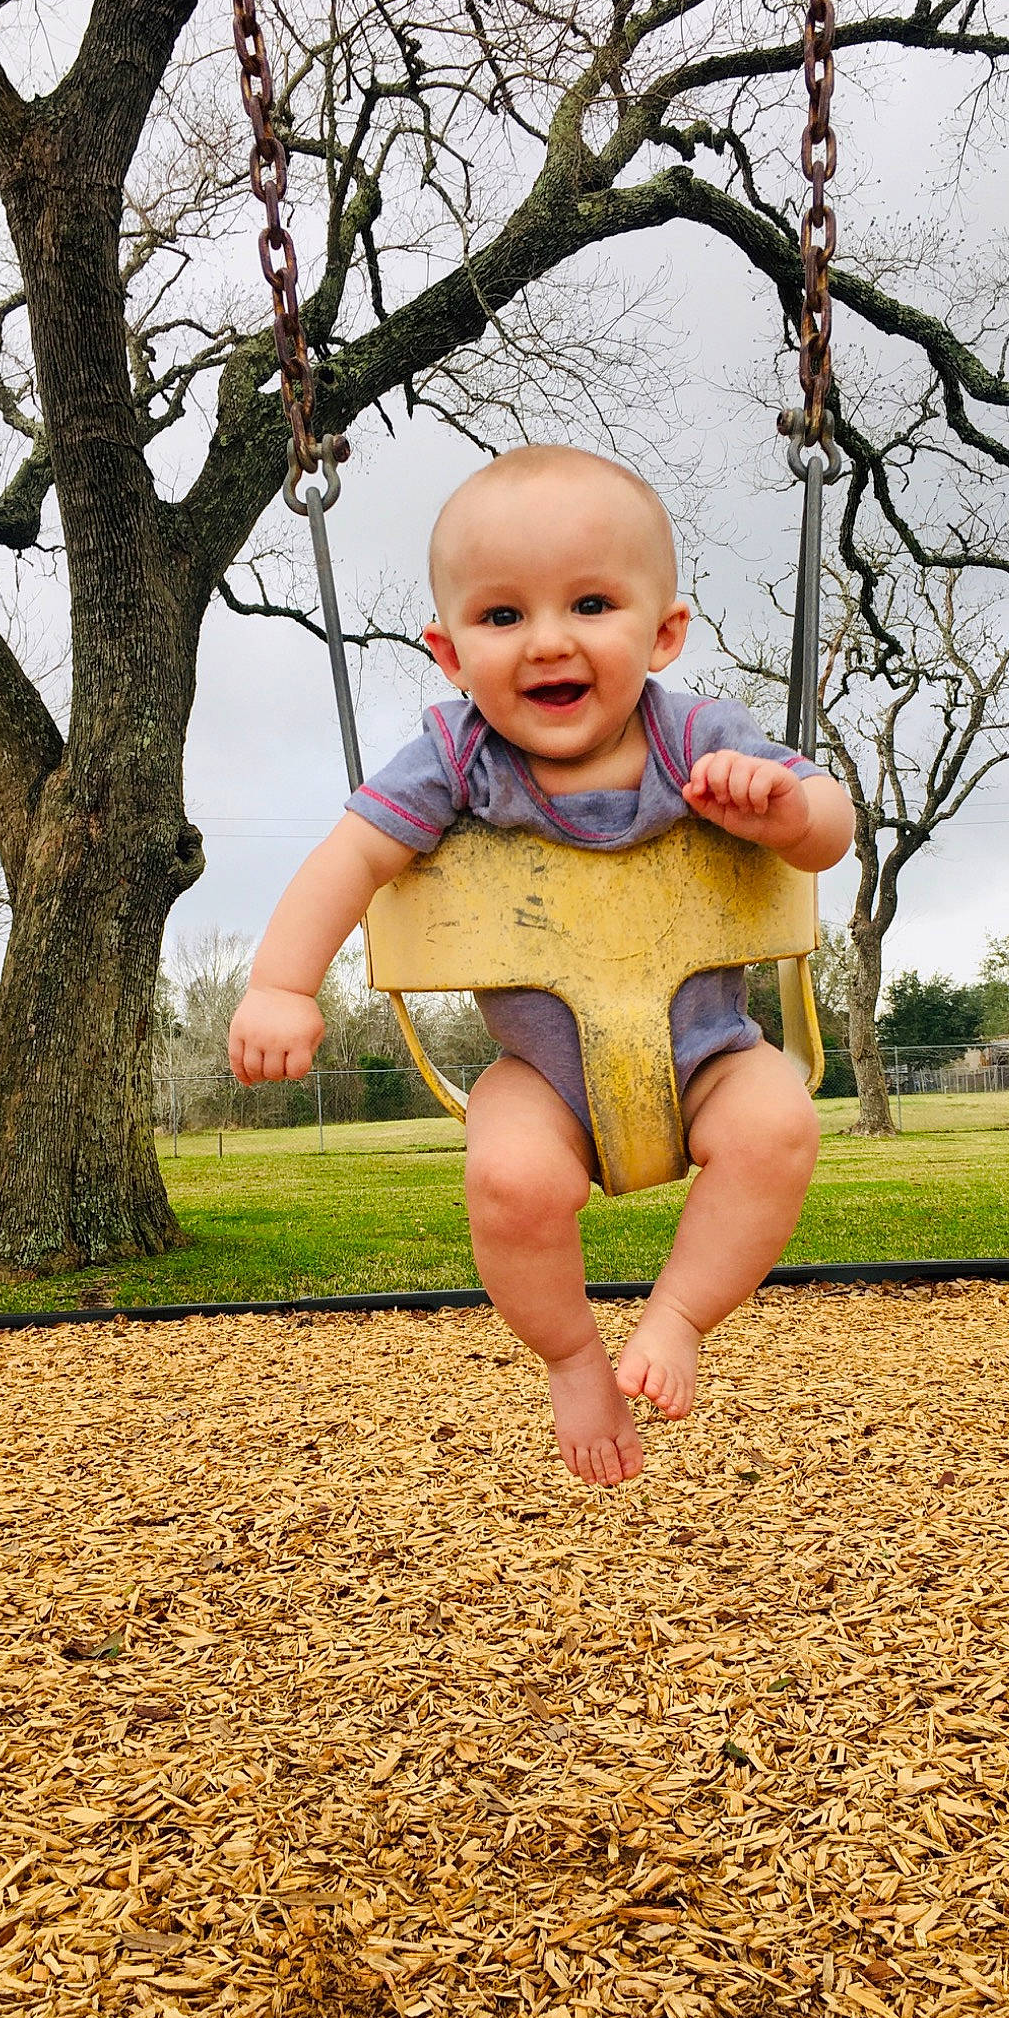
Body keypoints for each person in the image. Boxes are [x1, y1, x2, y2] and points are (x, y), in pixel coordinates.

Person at [229, 445, 855, 1488]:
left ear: (662, 633)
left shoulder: (700, 733)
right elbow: (351, 857)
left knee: (779, 1123)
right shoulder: (456, 756)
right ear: (449, 650)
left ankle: (681, 1312)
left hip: (709, 1049)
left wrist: (787, 807)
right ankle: (571, 1356)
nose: (549, 640)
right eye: (504, 616)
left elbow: (829, 829)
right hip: (541, 1075)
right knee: (507, 1177)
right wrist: (282, 983)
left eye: (592, 603)